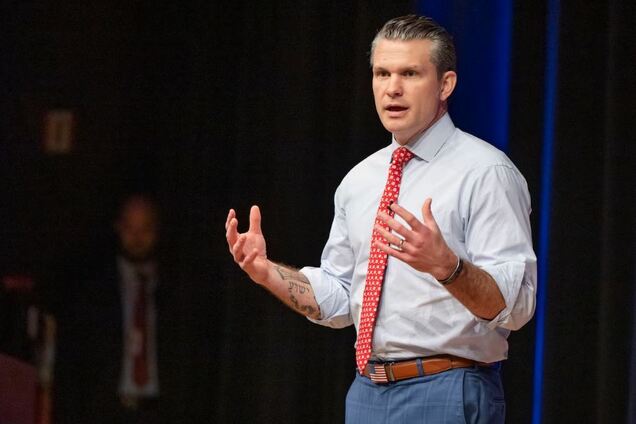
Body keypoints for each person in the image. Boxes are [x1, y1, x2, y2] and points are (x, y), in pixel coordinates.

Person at [226, 14, 536, 424]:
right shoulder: (360, 181)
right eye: (382, 73)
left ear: (445, 84)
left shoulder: (485, 173)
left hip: (447, 387)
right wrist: (267, 272)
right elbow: (340, 297)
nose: (392, 88)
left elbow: (517, 306)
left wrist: (447, 267)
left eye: (410, 73)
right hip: (367, 392)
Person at [55, 194, 178, 424]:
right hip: (106, 410)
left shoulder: (174, 287)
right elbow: (75, 362)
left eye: (145, 228)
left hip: (160, 411)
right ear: (118, 227)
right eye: (130, 228)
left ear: (157, 229)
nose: (137, 237)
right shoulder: (95, 291)